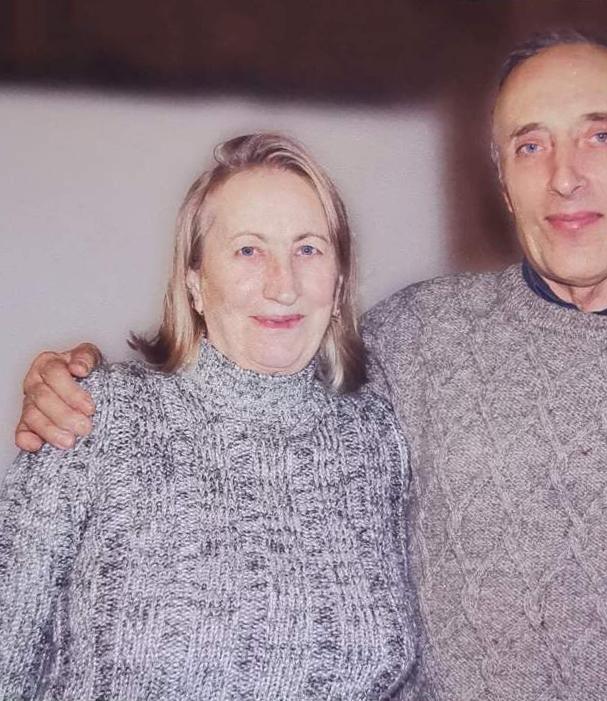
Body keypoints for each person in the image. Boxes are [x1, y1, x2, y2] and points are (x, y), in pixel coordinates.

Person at [13, 32, 607, 700]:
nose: (565, 177)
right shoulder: (418, 336)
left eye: (599, 136)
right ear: (503, 181)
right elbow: (254, 378)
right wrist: (74, 384)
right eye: (530, 146)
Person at [1, 133, 417, 699]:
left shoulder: (380, 436)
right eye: (248, 250)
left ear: (339, 281)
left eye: (308, 249)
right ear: (194, 282)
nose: (283, 285)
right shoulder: (92, 414)